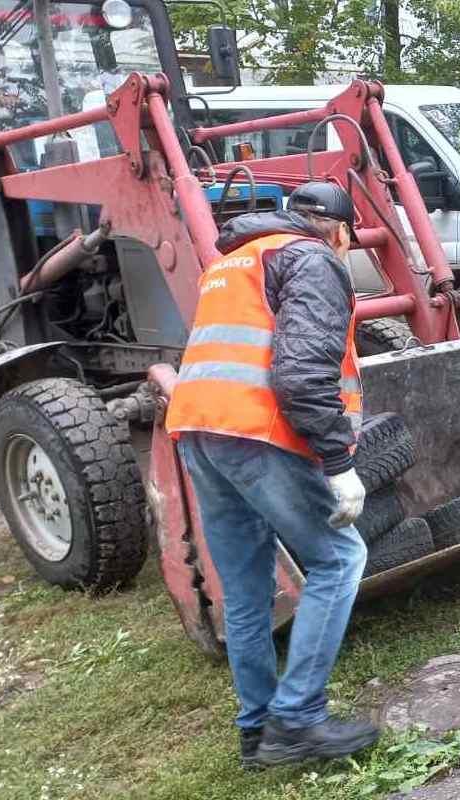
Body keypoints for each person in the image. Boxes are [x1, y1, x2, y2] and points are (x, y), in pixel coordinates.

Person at [165, 182, 379, 768]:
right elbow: (303, 374)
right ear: (338, 230)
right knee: (340, 559)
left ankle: (256, 732)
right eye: (349, 238)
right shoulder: (311, 259)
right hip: (254, 433)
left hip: (197, 430)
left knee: (248, 590)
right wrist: (339, 462)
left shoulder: (235, 259)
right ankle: (298, 719)